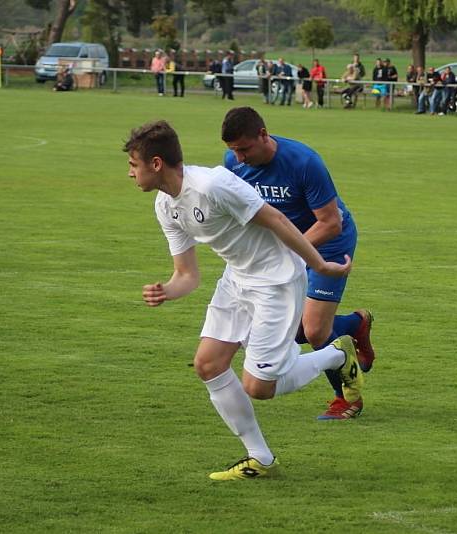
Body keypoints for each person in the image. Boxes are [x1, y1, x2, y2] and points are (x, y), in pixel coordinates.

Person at [125, 120, 364, 479]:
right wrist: (166, 291)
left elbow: (277, 219)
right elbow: (188, 275)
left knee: (259, 388)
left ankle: (336, 355)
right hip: (236, 279)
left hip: (276, 280)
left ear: (156, 164)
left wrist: (319, 264)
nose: (130, 174)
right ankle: (261, 459)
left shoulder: (212, 185)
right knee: (208, 365)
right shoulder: (165, 205)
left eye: (133, 164)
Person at [221, 107, 374, 420]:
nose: (239, 158)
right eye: (233, 151)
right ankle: (353, 325)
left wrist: (289, 252)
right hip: (285, 248)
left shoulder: (303, 162)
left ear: (264, 135)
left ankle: (347, 398)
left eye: (244, 149)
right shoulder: (234, 166)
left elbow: (330, 222)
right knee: (292, 330)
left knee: (316, 331)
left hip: (330, 241)